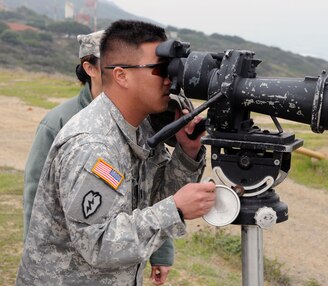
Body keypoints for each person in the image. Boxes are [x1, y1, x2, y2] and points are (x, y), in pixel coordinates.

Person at [15, 20, 216, 286]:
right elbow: (98, 243)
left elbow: (155, 197)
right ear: (121, 75)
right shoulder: (92, 145)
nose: (169, 79)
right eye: (159, 69)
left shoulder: (138, 128)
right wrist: (175, 210)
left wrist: (187, 154)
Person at [22, 30, 104, 240]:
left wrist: (161, 253)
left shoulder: (136, 119)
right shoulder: (58, 121)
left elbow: (149, 190)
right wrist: (33, 251)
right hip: (65, 250)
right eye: (112, 61)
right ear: (90, 67)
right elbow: (35, 190)